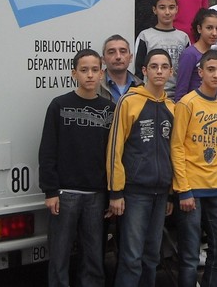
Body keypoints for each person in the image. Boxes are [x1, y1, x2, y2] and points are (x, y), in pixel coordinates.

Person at [38, 48, 114, 287]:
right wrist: (50, 191)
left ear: (102, 74)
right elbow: (48, 150)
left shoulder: (109, 109)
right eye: (84, 70)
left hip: (96, 195)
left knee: (93, 256)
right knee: (59, 256)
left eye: (94, 70)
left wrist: (112, 194)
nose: (90, 75)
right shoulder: (59, 105)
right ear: (74, 73)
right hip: (65, 193)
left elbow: (113, 156)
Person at [106, 49, 175, 287]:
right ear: (144, 71)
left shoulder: (172, 106)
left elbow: (174, 152)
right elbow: (114, 148)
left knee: (151, 256)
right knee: (131, 257)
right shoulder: (129, 101)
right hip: (135, 192)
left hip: (161, 192)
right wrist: (116, 192)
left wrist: (172, 194)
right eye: (153, 66)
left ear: (170, 72)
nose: (159, 71)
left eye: (164, 67)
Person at [171, 50, 217, 287]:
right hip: (191, 191)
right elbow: (177, 148)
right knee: (189, 255)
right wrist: (183, 189)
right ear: (200, 72)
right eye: (211, 70)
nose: (216, 75)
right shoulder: (187, 104)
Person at [133, 0, 190, 98]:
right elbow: (138, 69)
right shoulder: (145, 36)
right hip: (149, 95)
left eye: (171, 7)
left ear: (177, 9)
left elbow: (187, 70)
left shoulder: (184, 38)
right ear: (155, 10)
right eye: (162, 7)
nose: (167, 12)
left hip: (176, 97)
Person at [174, 8, 217, 102]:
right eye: (209, 28)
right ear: (199, 29)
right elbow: (181, 90)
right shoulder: (190, 54)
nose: (214, 33)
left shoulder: (216, 55)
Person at [98, 34, 142, 103]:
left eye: (123, 51)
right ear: (103, 60)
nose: (118, 57)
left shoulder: (141, 86)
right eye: (111, 52)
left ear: (130, 58)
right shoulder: (94, 86)